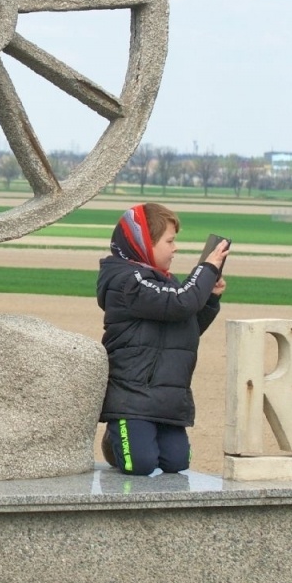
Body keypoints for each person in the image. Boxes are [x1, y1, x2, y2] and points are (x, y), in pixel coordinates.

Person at [97, 203, 229, 476]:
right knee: (140, 465)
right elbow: (181, 303)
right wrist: (206, 269)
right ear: (143, 242)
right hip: (131, 398)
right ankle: (115, 436)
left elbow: (184, 325)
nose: (175, 248)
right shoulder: (127, 282)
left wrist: (210, 298)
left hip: (166, 399)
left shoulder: (167, 284)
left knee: (177, 463)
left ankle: (133, 439)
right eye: (169, 241)